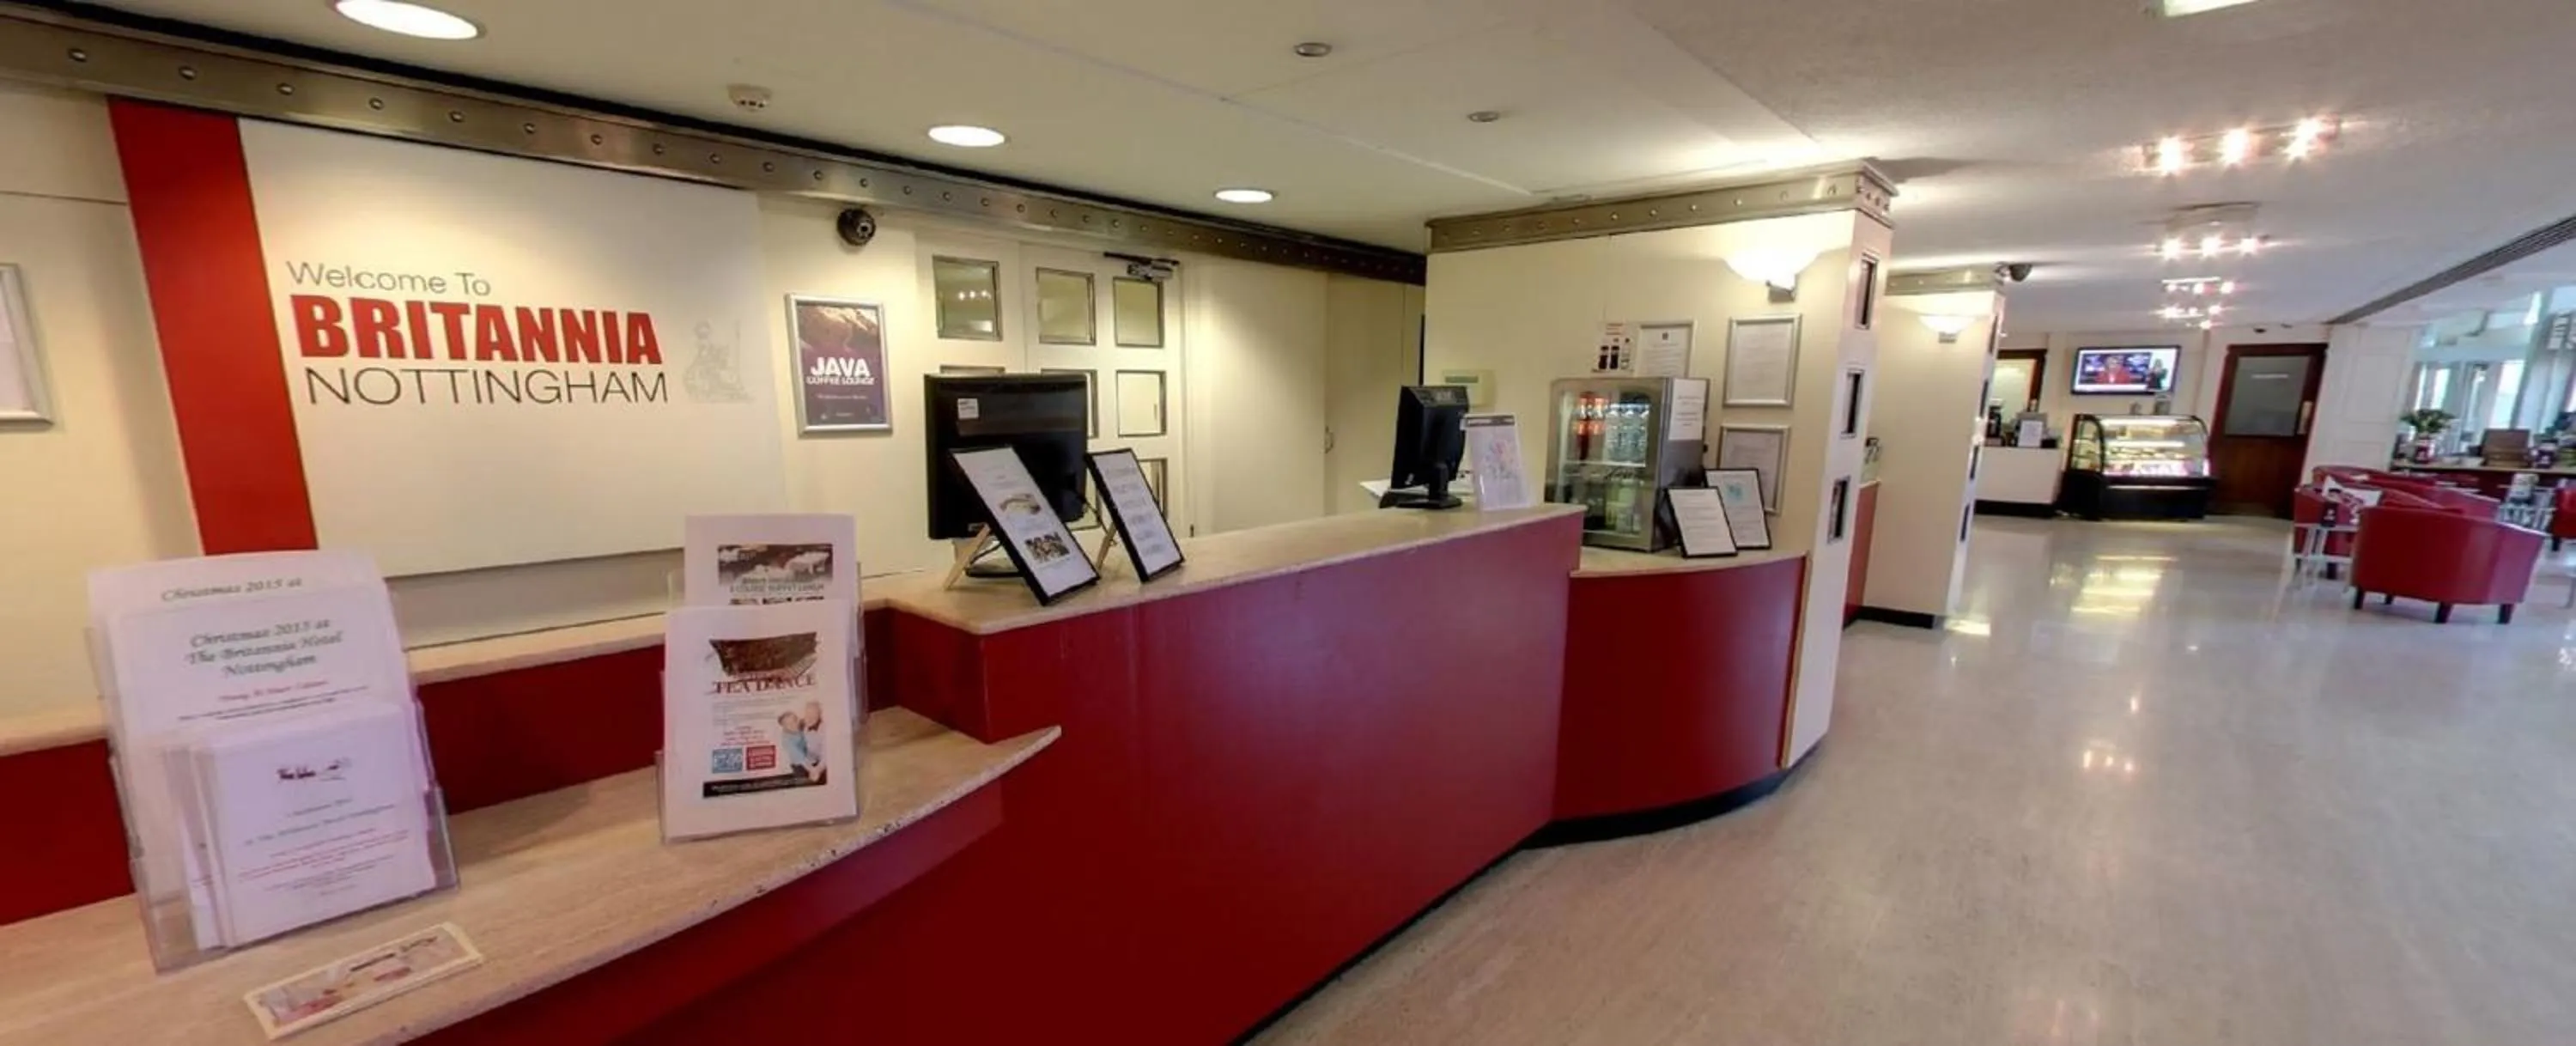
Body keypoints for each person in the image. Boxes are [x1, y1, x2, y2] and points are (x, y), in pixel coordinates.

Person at [775, 707, 826, 785]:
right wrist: (813, 770)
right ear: (784, 727)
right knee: (804, 782)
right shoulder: (787, 740)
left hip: (811, 759)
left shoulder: (800, 724)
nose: (793, 725)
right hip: (800, 765)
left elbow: (811, 719)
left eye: (794, 721)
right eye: (788, 724)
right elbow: (800, 758)